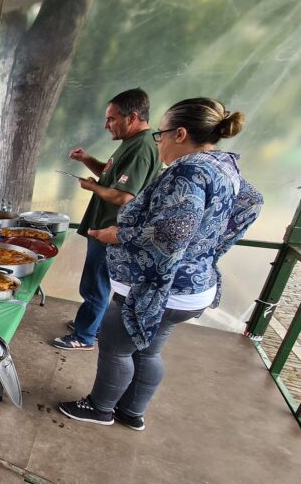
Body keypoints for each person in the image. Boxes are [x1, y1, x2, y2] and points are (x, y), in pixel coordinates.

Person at [58, 98, 263, 430]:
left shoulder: (189, 169)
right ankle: (131, 412)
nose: (159, 142)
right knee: (146, 351)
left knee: (115, 346)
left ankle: (100, 408)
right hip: (194, 287)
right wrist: (211, 249)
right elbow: (252, 202)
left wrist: (119, 235)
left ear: (180, 134)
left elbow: (170, 232)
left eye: (162, 134)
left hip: (158, 287)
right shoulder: (224, 165)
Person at [52, 88, 160, 351]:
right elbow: (111, 176)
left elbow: (124, 196)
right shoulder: (131, 144)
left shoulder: (142, 148)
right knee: (95, 282)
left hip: (112, 230)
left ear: (132, 117)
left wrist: (92, 188)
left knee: (95, 284)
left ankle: (84, 336)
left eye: (111, 119)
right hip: (104, 225)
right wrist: (87, 160)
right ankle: (90, 324)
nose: (106, 125)